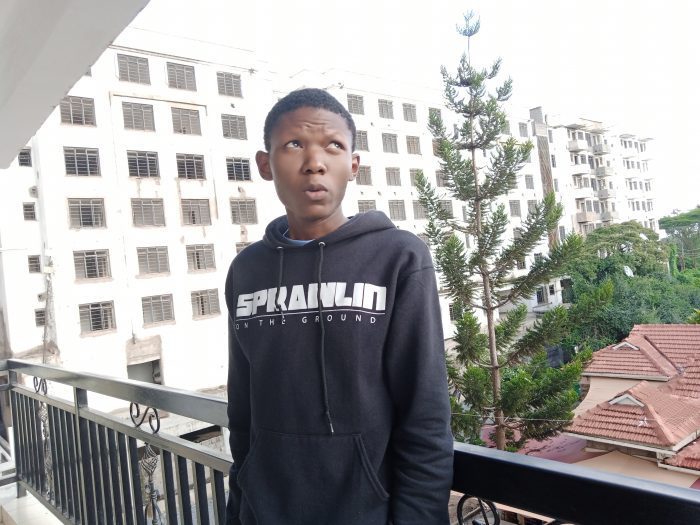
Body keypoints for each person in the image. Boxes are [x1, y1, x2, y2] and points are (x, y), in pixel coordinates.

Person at [225, 88, 453, 525]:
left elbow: (424, 414)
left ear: (353, 165)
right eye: (294, 144)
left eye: (333, 145)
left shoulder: (398, 258)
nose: (314, 162)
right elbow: (243, 411)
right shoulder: (247, 270)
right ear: (265, 164)